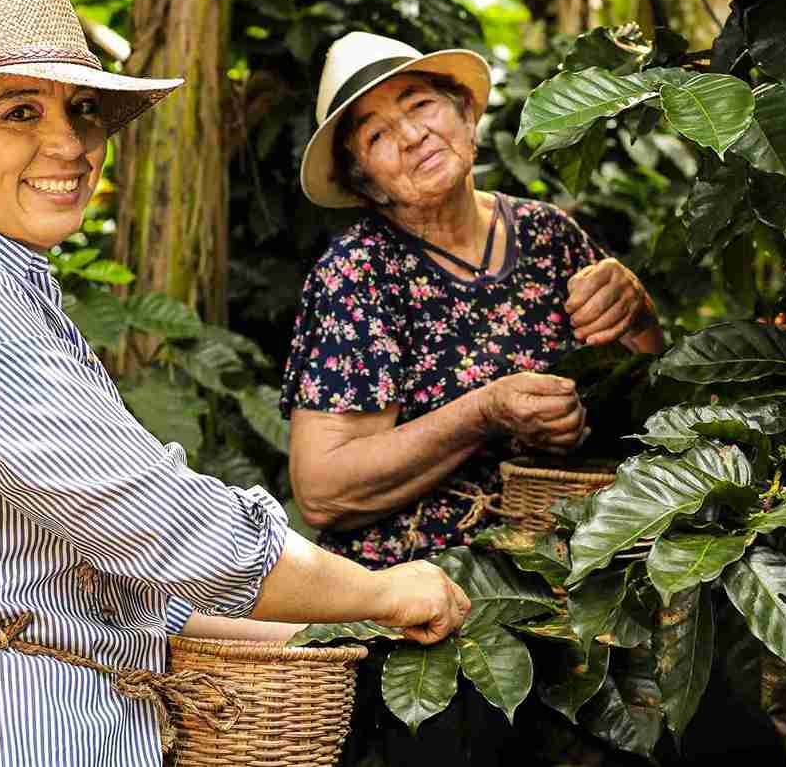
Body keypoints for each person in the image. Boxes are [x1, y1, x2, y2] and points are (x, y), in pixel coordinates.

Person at [0, 0, 470, 767]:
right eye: (20, 112)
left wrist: (327, 621)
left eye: (81, 110)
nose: (69, 144)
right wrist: (385, 590)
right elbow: (163, 525)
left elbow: (88, 569)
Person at [281, 31, 665, 570]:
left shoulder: (547, 235)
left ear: (464, 114)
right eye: (377, 137)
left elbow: (651, 406)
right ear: (365, 183)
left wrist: (639, 312)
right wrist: (483, 412)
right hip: (417, 597)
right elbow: (322, 490)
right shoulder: (359, 271)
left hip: (569, 570)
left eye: (421, 105)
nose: (413, 135)